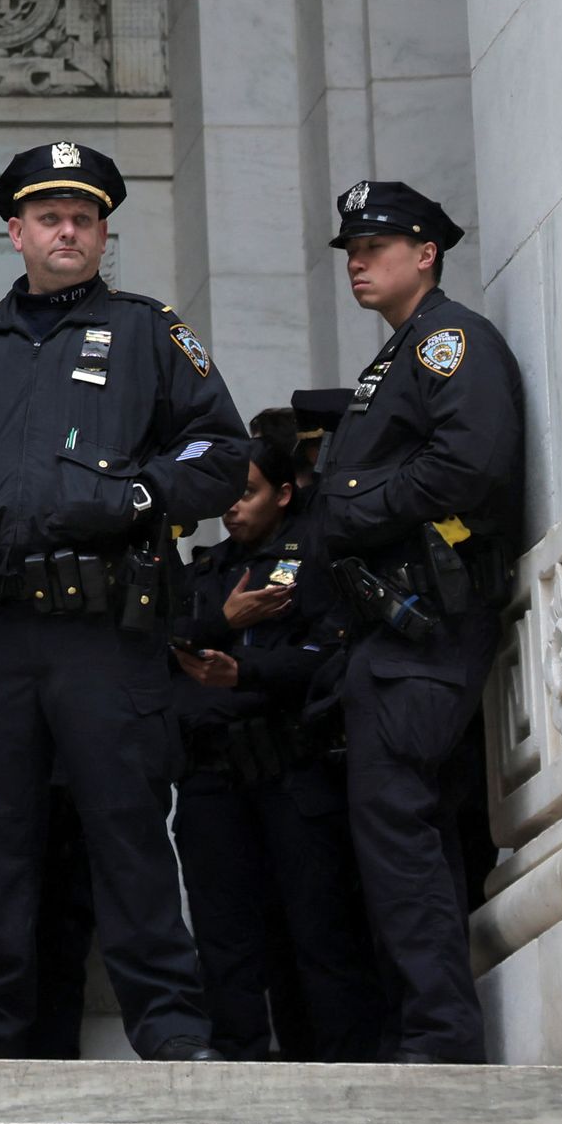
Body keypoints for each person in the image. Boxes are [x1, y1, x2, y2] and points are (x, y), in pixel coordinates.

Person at [0, 139, 248, 1062]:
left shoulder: (148, 331)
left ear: (104, 231)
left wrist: (134, 496)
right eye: (49, 215)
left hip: (102, 631)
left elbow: (220, 452)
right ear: (16, 231)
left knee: (125, 829)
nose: (67, 229)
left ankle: (169, 1024)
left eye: (83, 216)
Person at [308, 179, 527, 1065]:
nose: (358, 261)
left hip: (427, 632)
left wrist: (352, 503)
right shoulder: (395, 357)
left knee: (400, 830)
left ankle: (439, 1031)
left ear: (425, 252)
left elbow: (468, 465)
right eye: (351, 248)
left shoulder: (448, 342)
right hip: (391, 635)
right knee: (401, 834)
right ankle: (424, 1025)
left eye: (376, 245)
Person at [171, 404, 388, 1060]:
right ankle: (236, 1057)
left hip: (293, 769)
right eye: (226, 496)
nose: (233, 508)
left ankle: (336, 1063)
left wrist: (245, 671)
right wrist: (224, 618)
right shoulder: (204, 573)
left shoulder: (314, 558)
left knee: (316, 930)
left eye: (248, 493)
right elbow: (166, 651)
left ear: (285, 490)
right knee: (224, 935)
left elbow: (329, 654)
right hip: (213, 777)